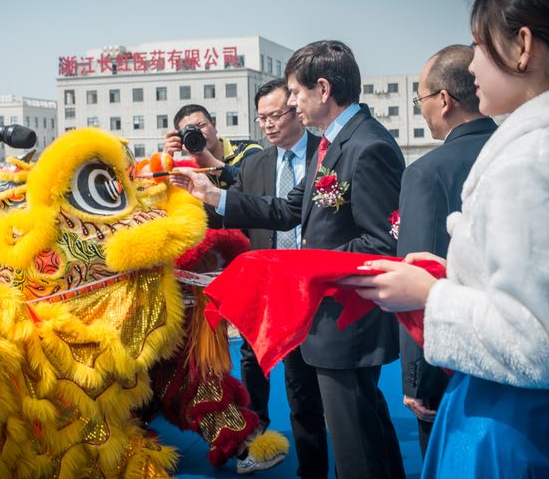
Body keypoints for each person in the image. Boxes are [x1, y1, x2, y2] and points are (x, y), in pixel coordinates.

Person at [341, 0, 549, 477]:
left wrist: (429, 296)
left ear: (523, 46)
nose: (471, 69)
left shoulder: (530, 162)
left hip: (514, 424)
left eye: (479, 47)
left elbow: (541, 343)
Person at [172, 40, 406, 479]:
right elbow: (285, 210)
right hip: (325, 319)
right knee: (365, 432)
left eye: (295, 94)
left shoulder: (366, 147)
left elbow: (382, 244)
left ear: (322, 89)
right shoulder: (333, 146)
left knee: (355, 442)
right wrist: (213, 194)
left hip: (346, 322)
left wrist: (305, 264)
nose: (293, 104)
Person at [399, 44, 497, 456]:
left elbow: (416, 279)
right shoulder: (518, 149)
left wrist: (417, 381)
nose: (420, 109)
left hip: (454, 361)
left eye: (420, 99)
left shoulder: (427, 172)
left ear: (444, 100)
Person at [233, 79, 325, 476]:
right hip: (265, 283)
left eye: (275, 115)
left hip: (312, 283)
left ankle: (313, 461)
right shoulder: (253, 165)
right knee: (253, 362)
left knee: (303, 380)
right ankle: (257, 436)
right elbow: (232, 213)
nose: (268, 125)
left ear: (295, 109)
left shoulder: (327, 155)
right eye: (261, 119)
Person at [164, 104, 262, 190]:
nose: (197, 133)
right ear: (180, 139)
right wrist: (164, 161)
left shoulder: (247, 149)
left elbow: (258, 183)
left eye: (201, 126)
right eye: (187, 132)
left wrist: (211, 163)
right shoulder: (187, 169)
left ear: (214, 126)